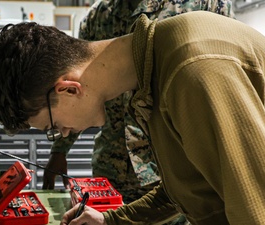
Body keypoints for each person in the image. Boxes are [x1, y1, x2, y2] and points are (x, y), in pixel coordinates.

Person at [0, 10, 265, 225]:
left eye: (54, 126)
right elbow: (185, 188)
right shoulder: (153, 76)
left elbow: (259, 212)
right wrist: (111, 221)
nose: (65, 133)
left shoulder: (192, 72)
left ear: (68, 89)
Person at [42, 0, 236, 207]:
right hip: (111, 167)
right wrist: (60, 149)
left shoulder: (206, 4)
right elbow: (79, 85)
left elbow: (224, 83)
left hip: (172, 168)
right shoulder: (99, 14)